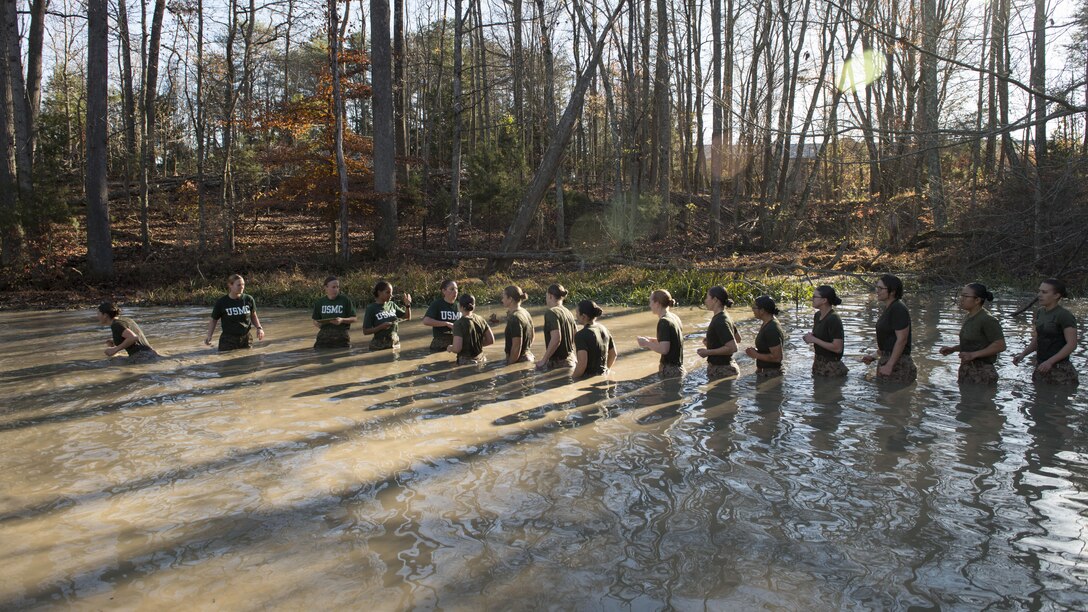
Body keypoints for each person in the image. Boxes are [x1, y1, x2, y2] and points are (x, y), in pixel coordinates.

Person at [1013, 279, 1079, 386]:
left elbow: (1072, 344)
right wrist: (1023, 355)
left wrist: (1050, 362)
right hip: (1042, 367)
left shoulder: (1064, 315)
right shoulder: (1040, 312)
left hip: (1061, 371)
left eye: (1044, 292)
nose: (1039, 295)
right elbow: (1038, 338)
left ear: (1056, 295)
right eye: (1039, 291)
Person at [939, 283, 1006, 384]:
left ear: (977, 300)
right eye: (961, 295)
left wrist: (974, 355)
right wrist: (953, 349)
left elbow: (1000, 345)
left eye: (965, 296)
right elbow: (974, 344)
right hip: (967, 370)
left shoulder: (987, 319)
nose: (961, 299)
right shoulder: (969, 317)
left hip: (983, 373)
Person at [862, 274, 916, 383]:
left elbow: (902, 340)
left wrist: (890, 365)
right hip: (888, 361)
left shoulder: (898, 308)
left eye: (881, 288)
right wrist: (873, 356)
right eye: (877, 287)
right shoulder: (889, 308)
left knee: (891, 398)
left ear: (892, 291)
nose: (877, 291)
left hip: (898, 365)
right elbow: (889, 342)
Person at [205, 274, 265, 351]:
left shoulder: (248, 299)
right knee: (226, 360)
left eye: (243, 284)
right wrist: (209, 336)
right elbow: (214, 320)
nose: (242, 287)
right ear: (230, 285)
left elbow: (253, 315)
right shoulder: (222, 302)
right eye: (239, 285)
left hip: (246, 338)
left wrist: (259, 328)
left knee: (248, 360)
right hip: (228, 339)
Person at [637, 289, 685, 378]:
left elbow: (664, 350)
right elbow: (673, 341)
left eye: (651, 301)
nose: (649, 305)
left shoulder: (664, 322)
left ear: (657, 303)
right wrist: (652, 340)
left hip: (670, 370)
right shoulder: (674, 317)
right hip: (678, 368)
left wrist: (646, 343)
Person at [803, 285, 848, 377]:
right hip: (818, 364)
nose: (812, 299)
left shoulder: (833, 319)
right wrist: (811, 337)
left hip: (832, 368)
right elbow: (822, 337)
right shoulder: (817, 315)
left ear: (824, 300)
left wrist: (814, 340)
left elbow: (838, 348)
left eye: (815, 297)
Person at [697, 286, 740, 379]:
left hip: (722, 371)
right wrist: (711, 343)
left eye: (707, 297)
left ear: (715, 300)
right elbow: (737, 339)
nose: (705, 301)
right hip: (727, 367)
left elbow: (733, 347)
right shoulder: (725, 316)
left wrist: (708, 352)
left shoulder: (720, 320)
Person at [536, 284, 578, 371]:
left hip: (558, 364)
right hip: (572, 360)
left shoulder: (551, 312)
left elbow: (556, 339)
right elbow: (576, 336)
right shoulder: (568, 312)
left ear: (550, 296)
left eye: (546, 296)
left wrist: (543, 361)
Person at [362, 280, 412, 350]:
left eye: (391, 293)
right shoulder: (371, 308)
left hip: (395, 344)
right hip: (378, 346)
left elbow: (407, 317)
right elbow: (365, 331)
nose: (391, 295)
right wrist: (381, 327)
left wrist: (407, 305)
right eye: (387, 292)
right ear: (379, 292)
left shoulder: (392, 305)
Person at [573, 300, 617, 379]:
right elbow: (613, 354)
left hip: (587, 379)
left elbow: (582, 365)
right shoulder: (604, 329)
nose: (576, 315)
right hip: (603, 376)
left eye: (577, 313)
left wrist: (572, 380)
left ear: (584, 316)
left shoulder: (580, 335)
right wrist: (606, 369)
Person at [745, 295, 786, 377]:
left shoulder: (772, 328)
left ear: (762, 310)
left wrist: (755, 355)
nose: (752, 309)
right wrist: (756, 351)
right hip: (765, 372)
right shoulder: (766, 323)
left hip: (771, 374)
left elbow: (777, 358)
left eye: (755, 307)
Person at [311, 276, 357, 348]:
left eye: (337, 287)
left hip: (341, 337)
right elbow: (314, 319)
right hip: (323, 337)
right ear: (326, 287)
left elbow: (354, 319)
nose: (336, 289)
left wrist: (342, 320)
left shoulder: (345, 300)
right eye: (333, 287)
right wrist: (317, 324)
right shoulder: (319, 302)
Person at [448, 293, 494, 364]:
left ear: (461, 307)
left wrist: (450, 348)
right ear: (474, 306)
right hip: (481, 358)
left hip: (466, 362)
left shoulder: (458, 324)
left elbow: (457, 348)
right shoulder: (481, 319)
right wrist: (476, 345)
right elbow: (491, 340)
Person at [421, 279, 461, 352]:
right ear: (444, 291)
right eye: (452, 289)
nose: (455, 292)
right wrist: (446, 323)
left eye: (456, 289)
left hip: (456, 342)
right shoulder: (437, 304)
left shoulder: (460, 305)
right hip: (440, 342)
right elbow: (426, 321)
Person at [498, 285, 534, 364]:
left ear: (510, 299)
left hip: (519, 360)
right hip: (528, 356)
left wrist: (509, 365)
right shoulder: (525, 312)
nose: (502, 300)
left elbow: (516, 346)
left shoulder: (515, 318)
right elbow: (532, 335)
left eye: (503, 297)